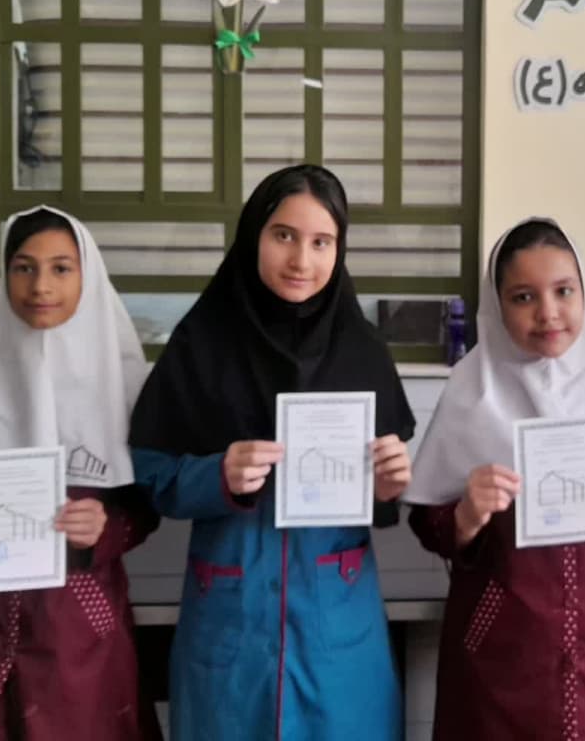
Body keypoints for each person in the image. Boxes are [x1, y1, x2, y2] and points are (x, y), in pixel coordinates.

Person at [129, 164, 415, 740]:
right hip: (230, 618)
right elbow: (149, 476)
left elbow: (382, 495)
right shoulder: (202, 343)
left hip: (336, 627)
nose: (301, 260)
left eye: (321, 242)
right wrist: (218, 476)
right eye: (284, 235)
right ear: (253, 235)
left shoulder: (363, 351)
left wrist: (387, 489)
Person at [406, 218, 585, 740]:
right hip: (503, 655)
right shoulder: (472, 392)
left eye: (564, 291)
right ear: (497, 306)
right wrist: (467, 514)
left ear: (584, 294)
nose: (548, 312)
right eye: (523, 297)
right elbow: (432, 526)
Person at [0, 207, 160, 740]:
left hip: (79, 632)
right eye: (23, 268)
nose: (40, 286)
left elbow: (146, 507)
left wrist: (106, 528)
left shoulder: (126, 385)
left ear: (86, 276)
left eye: (60, 268)